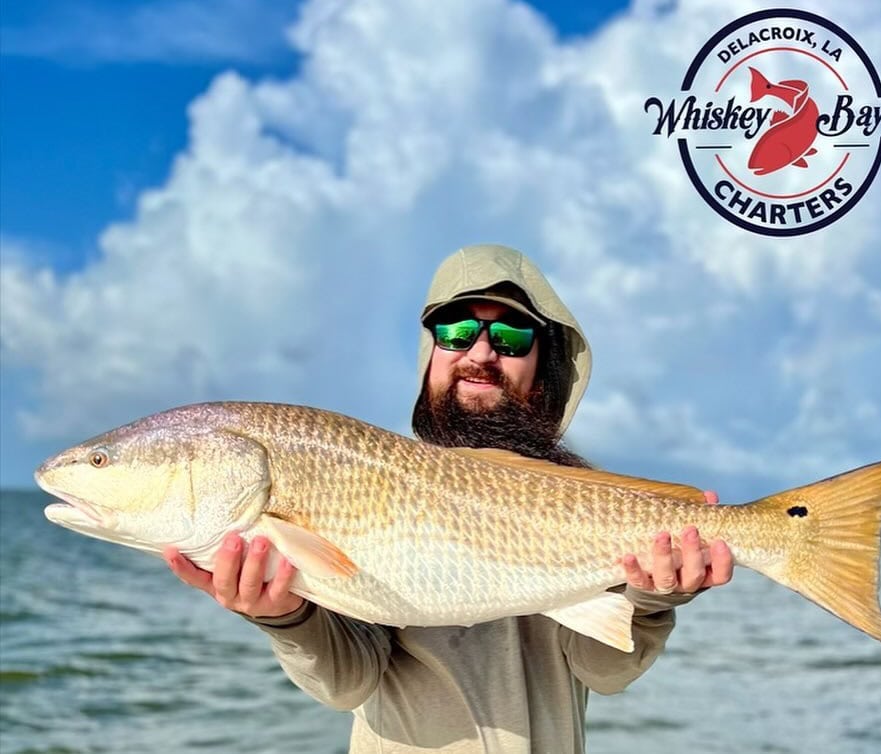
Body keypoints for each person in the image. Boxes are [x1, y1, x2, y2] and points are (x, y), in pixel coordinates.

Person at [165, 244, 733, 753]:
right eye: (456, 332)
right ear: (430, 354)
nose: (480, 353)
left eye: (511, 338)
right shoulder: (361, 479)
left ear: (543, 368)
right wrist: (286, 616)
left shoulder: (579, 497)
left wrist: (654, 598)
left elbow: (604, 671)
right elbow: (350, 682)